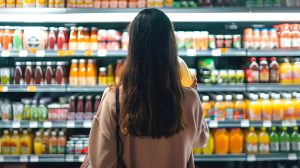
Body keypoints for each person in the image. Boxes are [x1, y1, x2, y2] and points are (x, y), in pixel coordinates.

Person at [88, 8, 209, 168]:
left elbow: (101, 162)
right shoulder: (190, 99)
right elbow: (200, 141)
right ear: (170, 46)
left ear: (133, 47)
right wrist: (193, 97)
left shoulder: (114, 99)